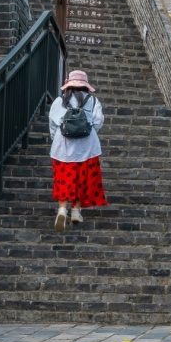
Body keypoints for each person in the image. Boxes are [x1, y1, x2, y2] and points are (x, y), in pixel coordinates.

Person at [48, 70, 108, 231]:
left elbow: (53, 124)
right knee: (83, 178)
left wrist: (56, 139)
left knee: (63, 178)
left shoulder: (59, 101)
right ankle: (76, 210)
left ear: (68, 86)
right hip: (87, 146)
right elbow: (98, 122)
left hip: (63, 146)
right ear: (85, 86)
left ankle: (62, 209)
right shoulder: (93, 101)